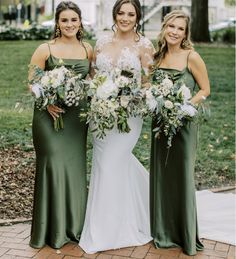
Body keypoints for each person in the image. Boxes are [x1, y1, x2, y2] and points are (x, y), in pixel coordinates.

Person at [79, 0, 155, 254]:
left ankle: (109, 230)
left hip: (128, 116)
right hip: (100, 115)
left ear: (137, 17)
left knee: (113, 162)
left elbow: (148, 83)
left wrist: (130, 98)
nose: (125, 18)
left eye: (130, 14)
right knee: (105, 166)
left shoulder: (144, 46)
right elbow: (91, 75)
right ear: (114, 15)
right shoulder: (101, 42)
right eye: (121, 13)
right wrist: (97, 93)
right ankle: (117, 220)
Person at [29, 1, 93, 249]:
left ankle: (74, 227)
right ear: (57, 23)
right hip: (50, 117)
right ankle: (50, 230)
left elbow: (91, 78)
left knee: (74, 167)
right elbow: (33, 83)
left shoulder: (88, 49)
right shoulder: (45, 49)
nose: (69, 25)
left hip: (77, 118)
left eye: (73, 20)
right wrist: (47, 103)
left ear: (80, 23)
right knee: (53, 164)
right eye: (64, 20)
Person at [150, 10, 210, 256]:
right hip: (160, 124)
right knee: (162, 174)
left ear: (186, 33)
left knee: (182, 174)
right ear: (164, 28)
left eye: (180, 28)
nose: (174, 32)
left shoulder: (191, 56)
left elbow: (205, 89)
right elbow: (149, 86)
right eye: (171, 26)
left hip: (184, 124)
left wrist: (184, 108)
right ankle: (163, 231)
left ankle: (184, 234)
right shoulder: (157, 56)